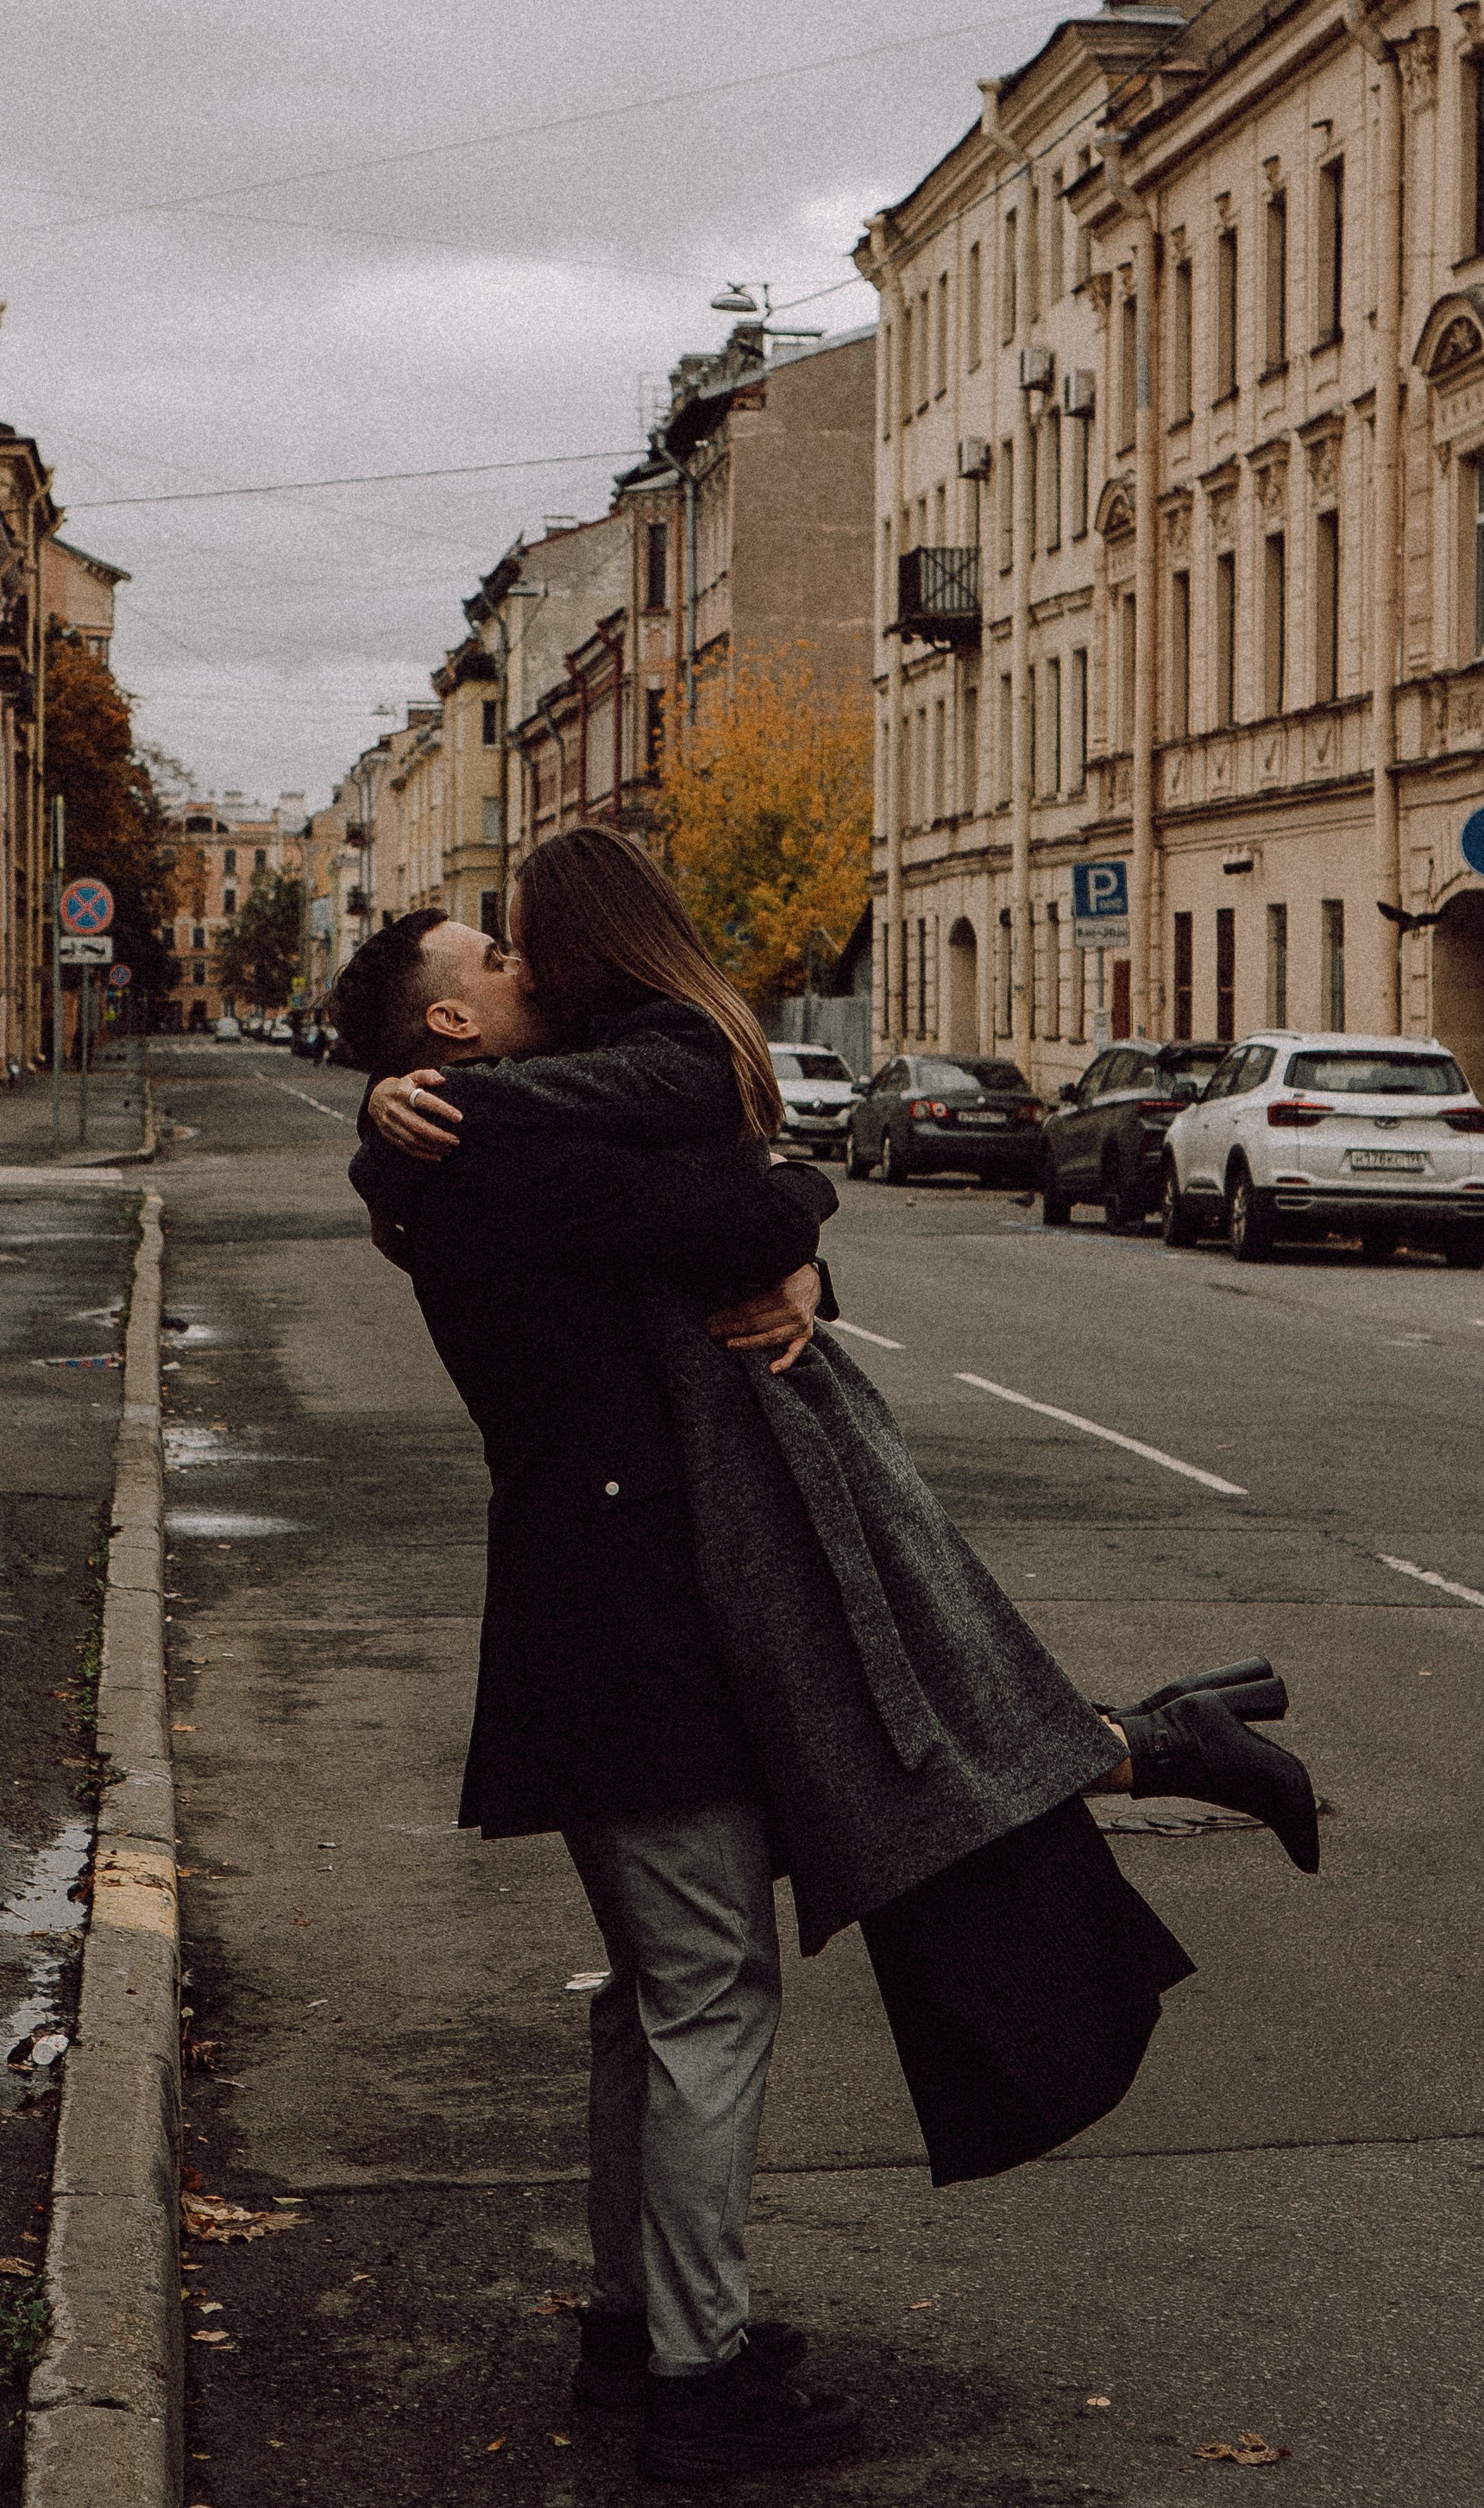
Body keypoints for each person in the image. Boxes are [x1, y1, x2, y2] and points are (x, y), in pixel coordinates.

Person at [332, 830, 1319, 2491]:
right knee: (706, 1996)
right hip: (636, 1639)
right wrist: (792, 1221)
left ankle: (643, 2319)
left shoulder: (475, 1147)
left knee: (661, 1998)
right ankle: (693, 2379)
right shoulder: (494, 1152)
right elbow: (747, 1182)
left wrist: (786, 1243)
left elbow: (720, 1200)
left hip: (621, 1627)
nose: (518, 965)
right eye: (489, 961)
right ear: (444, 1034)